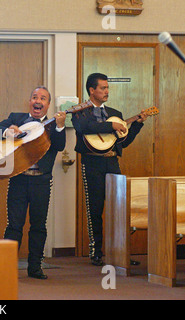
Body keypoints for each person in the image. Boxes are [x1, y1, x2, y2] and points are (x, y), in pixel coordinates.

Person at [0, 86, 66, 279]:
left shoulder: (51, 125)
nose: (37, 101)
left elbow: (59, 145)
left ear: (48, 105)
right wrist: (8, 131)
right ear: (29, 101)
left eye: (42, 98)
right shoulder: (17, 118)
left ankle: (35, 267)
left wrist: (60, 126)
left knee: (38, 225)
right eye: (34, 97)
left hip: (41, 181)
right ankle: (6, 268)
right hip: (19, 180)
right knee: (14, 225)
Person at [72, 73, 147, 266]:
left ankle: (121, 252)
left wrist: (137, 125)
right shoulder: (80, 111)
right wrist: (109, 125)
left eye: (107, 88)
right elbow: (84, 127)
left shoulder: (116, 113)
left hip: (112, 163)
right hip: (92, 164)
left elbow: (123, 141)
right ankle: (96, 251)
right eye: (103, 88)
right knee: (95, 208)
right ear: (92, 90)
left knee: (119, 209)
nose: (107, 91)